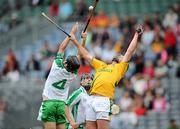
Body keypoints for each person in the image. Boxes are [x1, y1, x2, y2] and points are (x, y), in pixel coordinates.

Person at [70, 25, 143, 129]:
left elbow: (130, 50)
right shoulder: (102, 65)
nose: (121, 55)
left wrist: (136, 34)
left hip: (103, 100)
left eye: (123, 56)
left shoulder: (120, 68)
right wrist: (75, 40)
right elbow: (85, 54)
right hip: (91, 99)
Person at [37, 23, 80, 129]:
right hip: (61, 105)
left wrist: (71, 33)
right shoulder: (73, 74)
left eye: (66, 60)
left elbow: (62, 47)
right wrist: (82, 39)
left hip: (49, 103)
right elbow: (79, 57)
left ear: (65, 64)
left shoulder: (57, 66)